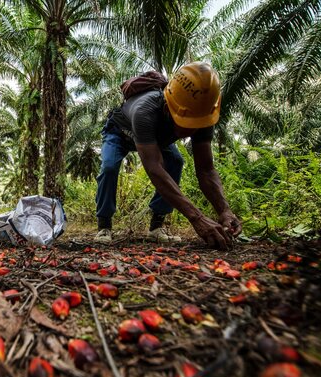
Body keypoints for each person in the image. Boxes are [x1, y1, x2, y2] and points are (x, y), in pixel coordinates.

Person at [95, 62, 241, 249]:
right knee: (109, 166)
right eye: (186, 123)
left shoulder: (203, 113)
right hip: (120, 132)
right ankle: (104, 224)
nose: (192, 130)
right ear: (168, 108)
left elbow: (205, 169)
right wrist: (197, 218)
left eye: (196, 124)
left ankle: (156, 226)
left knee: (175, 162)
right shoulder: (145, 111)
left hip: (153, 138)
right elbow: (154, 168)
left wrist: (225, 211)